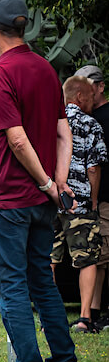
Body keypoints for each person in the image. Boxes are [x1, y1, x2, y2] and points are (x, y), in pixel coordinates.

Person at [0, 0, 79, 362]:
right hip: (41, 201)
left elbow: (17, 140)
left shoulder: (2, 73)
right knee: (43, 283)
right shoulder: (46, 69)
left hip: (12, 198)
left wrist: (43, 181)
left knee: (13, 286)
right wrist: (59, 182)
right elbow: (62, 131)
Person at [50, 75, 107, 332]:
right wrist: (94, 201)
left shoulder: (50, 123)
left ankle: (49, 316)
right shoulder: (90, 124)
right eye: (91, 98)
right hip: (80, 203)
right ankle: (85, 317)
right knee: (87, 259)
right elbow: (94, 167)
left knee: (47, 258)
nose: (94, 103)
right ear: (81, 97)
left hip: (51, 201)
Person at [77, 65, 109, 330]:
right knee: (96, 254)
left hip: (105, 196)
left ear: (100, 86)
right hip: (91, 198)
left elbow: (95, 165)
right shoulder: (84, 118)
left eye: (89, 87)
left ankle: (97, 312)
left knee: (103, 253)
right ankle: (94, 311)